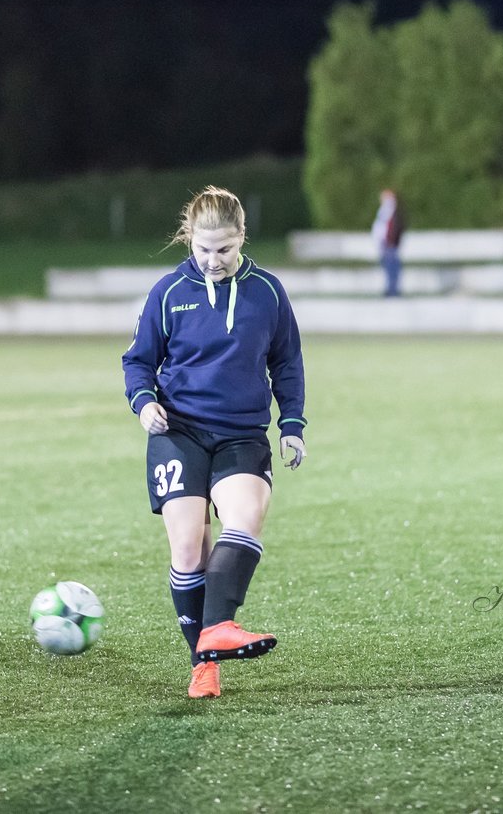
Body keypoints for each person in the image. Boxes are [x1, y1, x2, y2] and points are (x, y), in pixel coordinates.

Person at [122, 185, 307, 699]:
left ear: (242, 238)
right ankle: (204, 665)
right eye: (202, 249)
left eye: (224, 249)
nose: (212, 260)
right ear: (189, 239)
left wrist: (292, 423)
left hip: (242, 434)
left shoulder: (267, 292)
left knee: (245, 518)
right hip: (177, 432)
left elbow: (287, 362)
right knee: (189, 547)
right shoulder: (167, 292)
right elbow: (138, 360)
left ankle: (218, 627)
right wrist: (144, 402)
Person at [372, 188, 405, 297]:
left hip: (389, 243)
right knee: (390, 268)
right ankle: (391, 289)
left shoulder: (389, 210)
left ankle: (392, 290)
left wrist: (388, 240)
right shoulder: (387, 210)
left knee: (391, 268)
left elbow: (389, 228)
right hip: (387, 243)